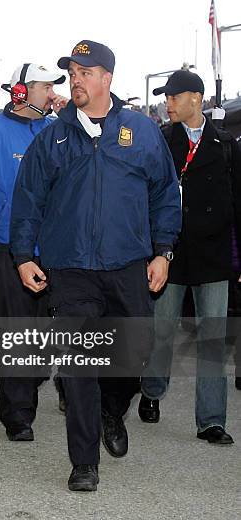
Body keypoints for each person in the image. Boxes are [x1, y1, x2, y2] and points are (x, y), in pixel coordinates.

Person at [10, 40, 181, 491]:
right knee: (78, 363)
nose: (76, 79)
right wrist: (24, 255)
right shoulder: (54, 136)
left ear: (107, 77)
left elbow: (165, 193)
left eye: (86, 72)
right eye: (72, 72)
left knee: (134, 352)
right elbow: (28, 199)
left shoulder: (141, 132)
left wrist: (163, 251)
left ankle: (113, 407)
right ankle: (84, 462)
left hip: (127, 265)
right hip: (70, 269)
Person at [140, 70, 241, 445]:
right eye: (165, 97)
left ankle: (211, 420)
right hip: (171, 254)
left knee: (213, 338)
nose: (167, 103)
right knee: (161, 331)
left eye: (173, 96)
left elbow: (238, 203)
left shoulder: (227, 145)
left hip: (213, 256)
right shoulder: (161, 141)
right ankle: (151, 390)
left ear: (196, 98)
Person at [0, 63, 67, 441]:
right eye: (46, 86)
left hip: (54, 250)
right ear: (22, 91)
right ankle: (18, 416)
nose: (52, 93)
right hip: (7, 250)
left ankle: (29, 392)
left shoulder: (57, 129)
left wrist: (70, 115)